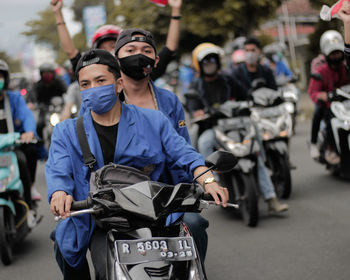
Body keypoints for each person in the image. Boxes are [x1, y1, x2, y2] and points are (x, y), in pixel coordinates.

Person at [46, 49, 229, 279]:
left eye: (100, 80)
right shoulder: (66, 131)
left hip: (152, 212)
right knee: (65, 244)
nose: (93, 88)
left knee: (194, 226)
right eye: (85, 84)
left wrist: (208, 179)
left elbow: (184, 153)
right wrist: (59, 193)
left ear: (119, 83)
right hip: (98, 216)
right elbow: (58, 169)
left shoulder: (153, 120)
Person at [187, 43, 288, 215]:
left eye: (213, 60)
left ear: (218, 62)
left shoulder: (227, 78)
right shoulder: (196, 86)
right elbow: (192, 105)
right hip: (214, 128)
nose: (210, 64)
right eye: (206, 61)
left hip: (238, 124)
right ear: (200, 65)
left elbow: (246, 94)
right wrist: (198, 112)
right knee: (204, 142)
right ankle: (213, 183)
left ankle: (271, 199)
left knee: (255, 146)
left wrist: (250, 101)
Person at [50, 0, 182, 81]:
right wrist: (58, 14)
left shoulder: (142, 73)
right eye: (103, 48)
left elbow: (169, 48)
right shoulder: (93, 74)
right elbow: (71, 52)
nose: (109, 52)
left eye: (113, 46)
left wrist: (175, 10)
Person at [0, 59, 40, 221]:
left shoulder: (14, 98)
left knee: (25, 157)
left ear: (6, 79)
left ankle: (29, 203)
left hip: (12, 148)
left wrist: (29, 132)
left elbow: (26, 115)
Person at [308, 30, 350, 164]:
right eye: (333, 53)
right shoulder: (321, 71)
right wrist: (322, 96)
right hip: (329, 105)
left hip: (346, 104)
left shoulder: (347, 67)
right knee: (318, 112)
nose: (336, 56)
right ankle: (318, 144)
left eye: (338, 52)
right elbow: (313, 92)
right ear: (326, 54)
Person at [29, 62, 67, 138]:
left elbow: (66, 92)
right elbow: (33, 98)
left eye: (49, 73)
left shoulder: (59, 82)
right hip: (44, 110)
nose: (47, 75)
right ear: (41, 74)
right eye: (45, 73)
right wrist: (34, 104)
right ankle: (40, 143)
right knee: (39, 125)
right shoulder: (38, 85)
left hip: (59, 108)